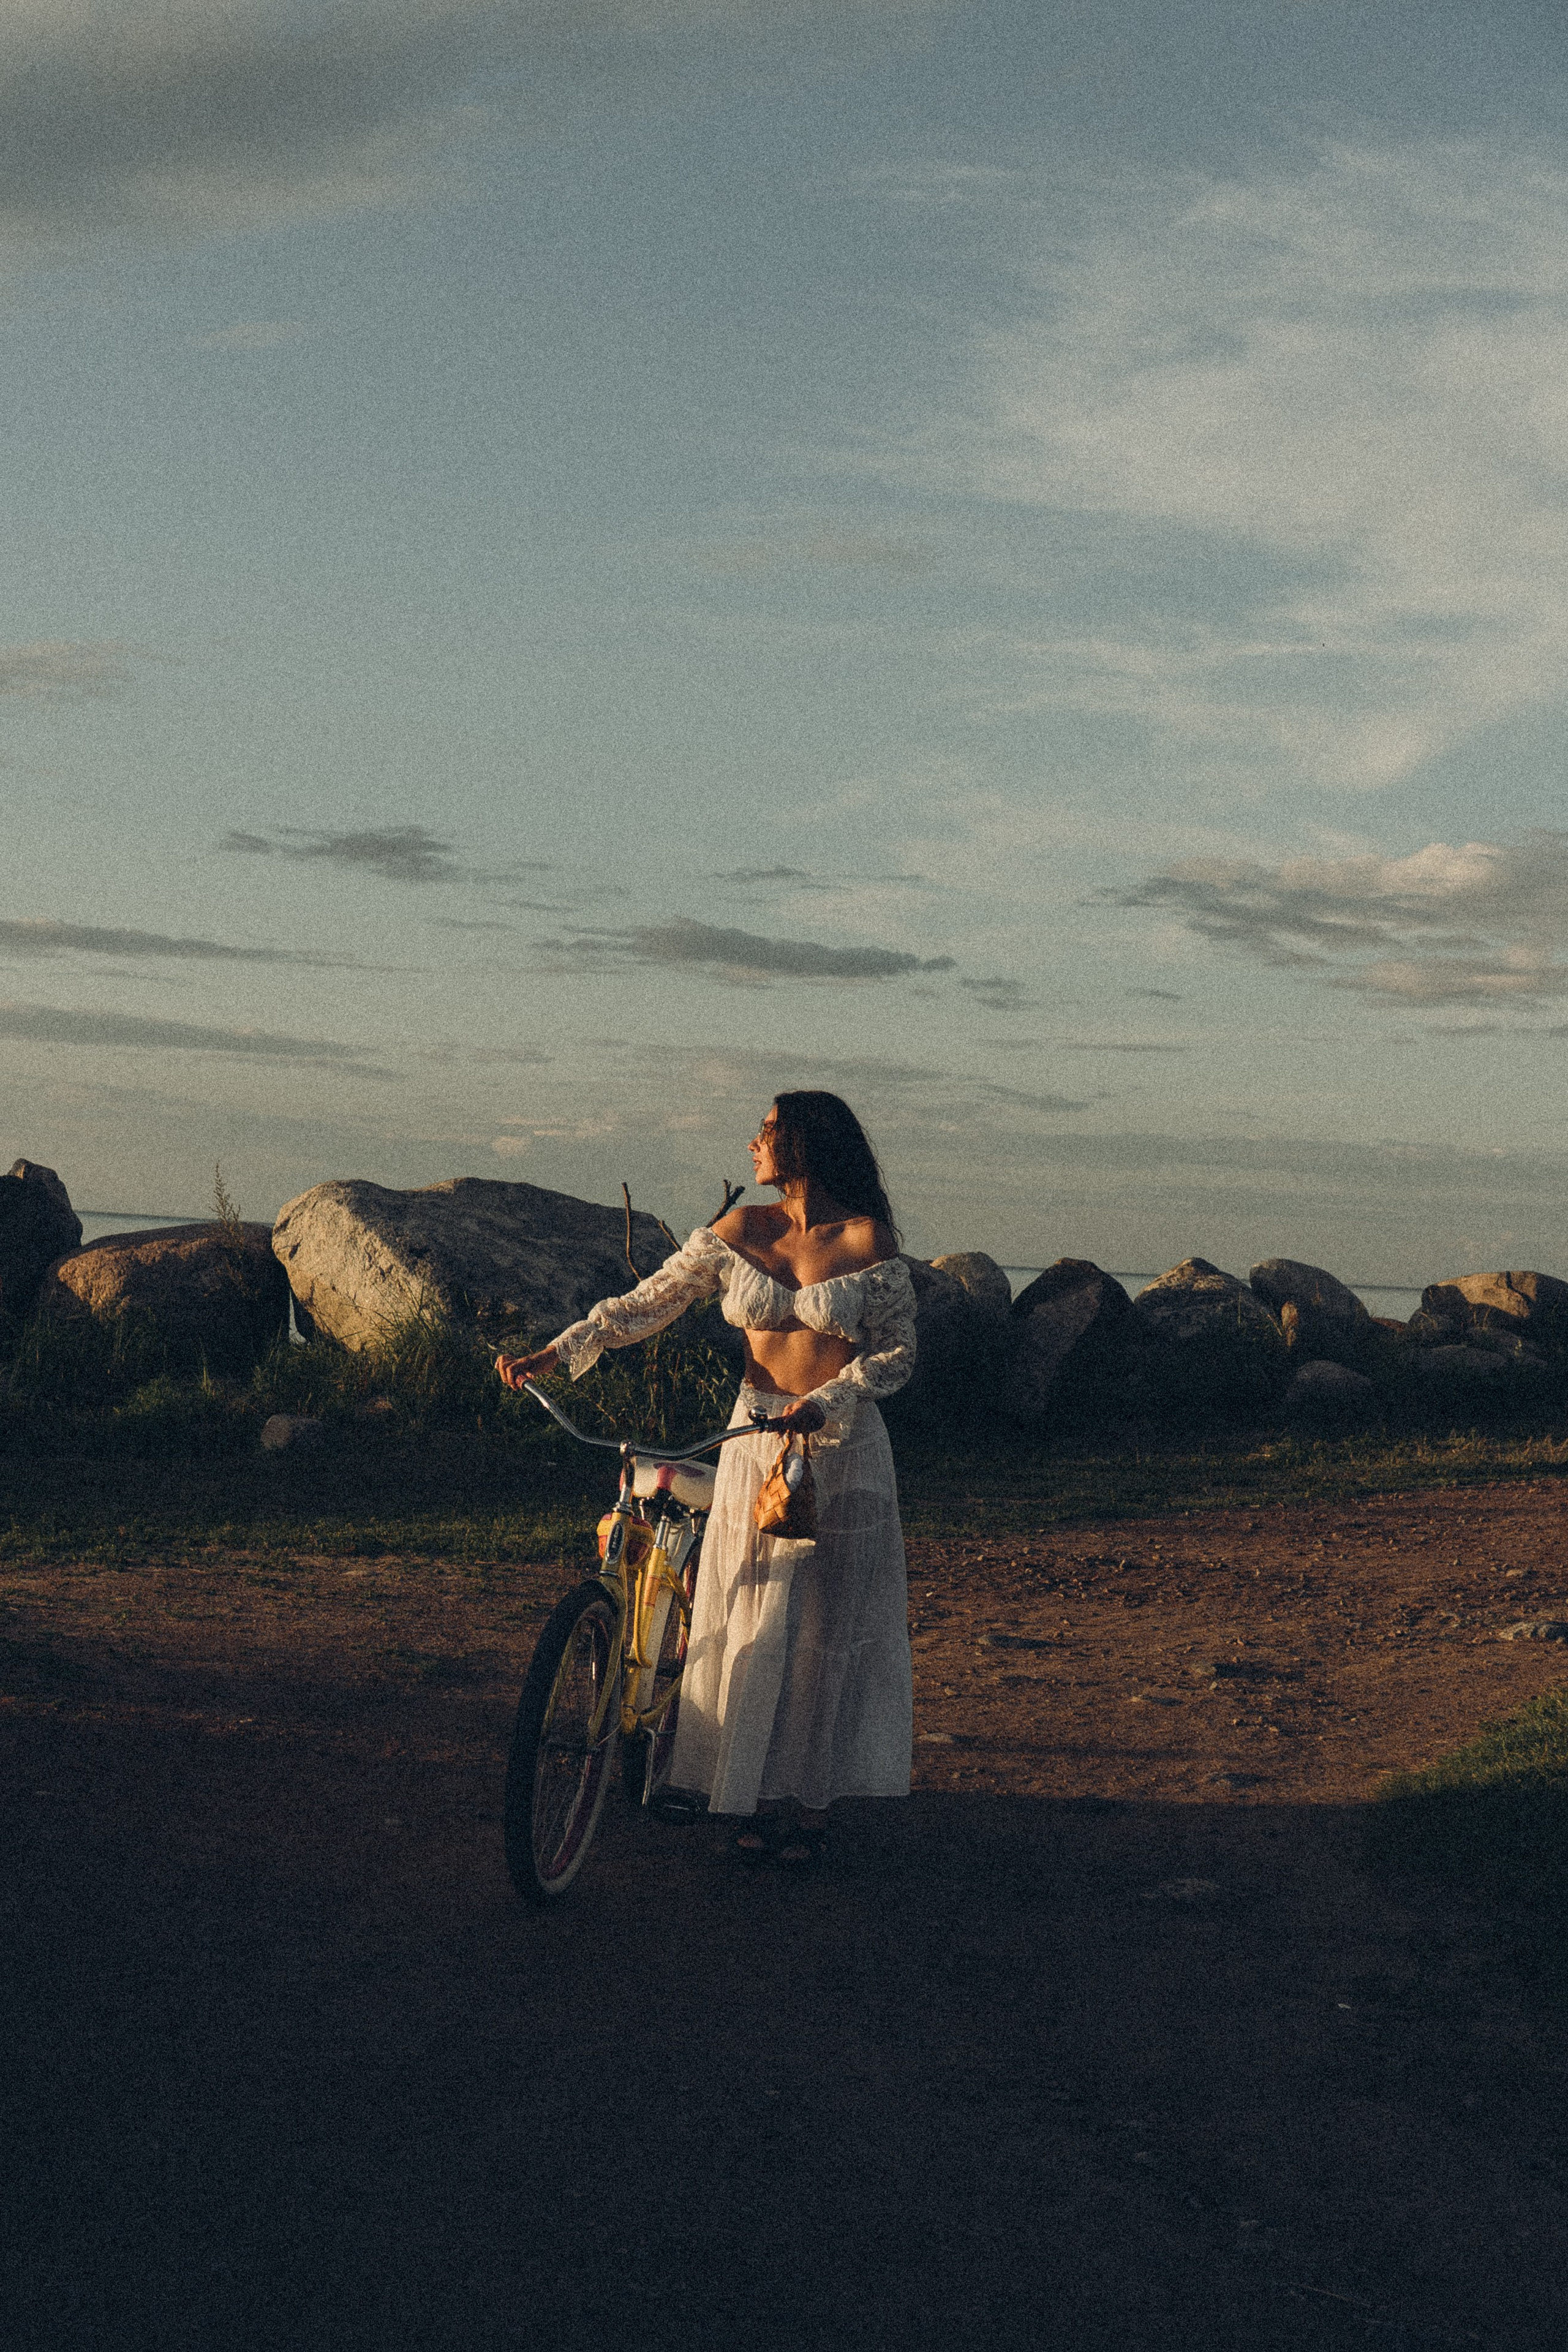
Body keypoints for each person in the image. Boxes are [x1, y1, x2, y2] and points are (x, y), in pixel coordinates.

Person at [495, 1090, 917, 1868]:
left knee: (825, 1628)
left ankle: (810, 1803)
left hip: (843, 1447)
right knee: (751, 1621)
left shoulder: (866, 1237)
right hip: (753, 1440)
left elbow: (895, 1352)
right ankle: (747, 1793)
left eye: (766, 1130)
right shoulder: (740, 1231)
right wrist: (555, 1354)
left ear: (804, 1143)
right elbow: (645, 1303)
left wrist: (827, 1404)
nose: (752, 1142)